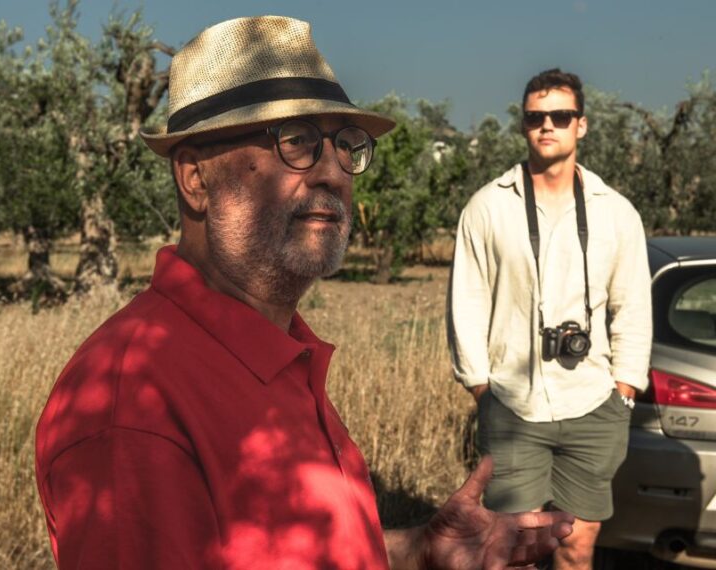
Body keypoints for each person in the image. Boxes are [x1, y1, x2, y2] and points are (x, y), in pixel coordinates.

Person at [35, 17, 574, 569]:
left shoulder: (277, 349)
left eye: (345, 146)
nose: (334, 173)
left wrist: (417, 552)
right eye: (296, 142)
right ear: (196, 178)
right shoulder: (136, 404)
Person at [446, 68, 652, 570]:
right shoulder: (489, 208)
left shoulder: (615, 212)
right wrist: (482, 391)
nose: (548, 126)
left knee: (577, 547)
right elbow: (466, 304)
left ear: (581, 125)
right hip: (514, 406)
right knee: (512, 551)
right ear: (523, 125)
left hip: (594, 404)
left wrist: (624, 391)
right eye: (536, 117)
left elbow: (633, 308)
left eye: (561, 116)